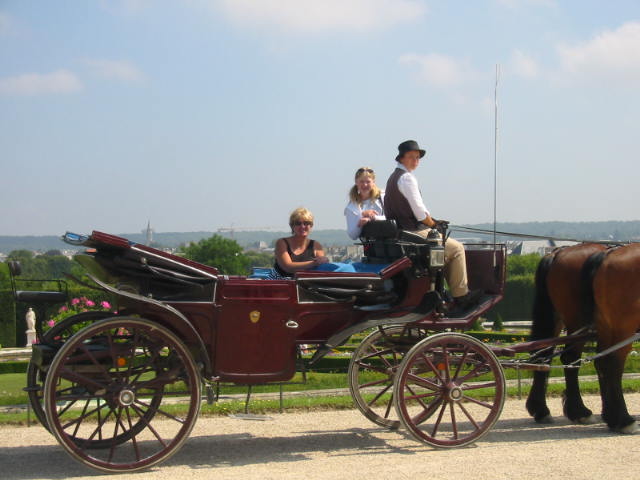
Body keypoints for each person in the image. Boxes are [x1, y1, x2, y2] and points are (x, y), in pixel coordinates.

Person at [384, 139, 481, 310]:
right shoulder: (407, 178)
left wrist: (433, 221)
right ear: (401, 159)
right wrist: (434, 224)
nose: (415, 161)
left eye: (417, 157)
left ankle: (443, 290)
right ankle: (461, 295)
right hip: (413, 231)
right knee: (457, 249)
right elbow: (420, 214)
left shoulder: (393, 178)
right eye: (411, 157)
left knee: (445, 247)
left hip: (401, 232)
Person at [272, 207, 329, 278]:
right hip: (281, 283)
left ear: (311, 226)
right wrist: (314, 263)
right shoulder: (281, 243)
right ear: (292, 226)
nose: (302, 226)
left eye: (306, 223)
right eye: (298, 223)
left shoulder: (316, 245)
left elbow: (321, 267)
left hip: (305, 284)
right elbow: (287, 267)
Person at [344, 167, 386, 240]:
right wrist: (362, 215)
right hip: (370, 247)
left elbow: (394, 218)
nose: (365, 185)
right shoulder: (352, 206)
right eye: (361, 181)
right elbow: (353, 235)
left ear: (373, 182)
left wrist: (372, 218)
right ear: (356, 182)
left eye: (368, 181)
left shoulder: (383, 197)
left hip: (390, 243)